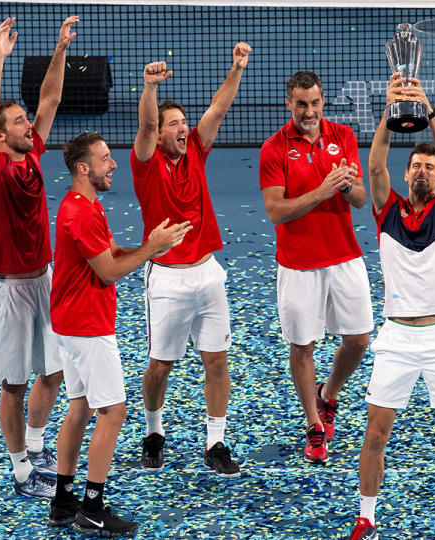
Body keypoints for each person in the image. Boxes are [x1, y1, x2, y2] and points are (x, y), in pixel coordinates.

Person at [346, 75, 435, 540]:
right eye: (417, 167)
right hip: (397, 339)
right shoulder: (386, 209)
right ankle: (365, 516)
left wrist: (428, 110)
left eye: (430, 166)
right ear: (407, 176)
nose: (424, 170)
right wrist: (390, 113)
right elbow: (375, 167)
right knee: (375, 435)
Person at [47, 132, 189, 535]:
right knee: (114, 411)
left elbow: (111, 254)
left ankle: (62, 501)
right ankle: (92, 507)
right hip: (87, 327)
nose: (113, 165)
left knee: (80, 409)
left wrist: (153, 246)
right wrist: (150, 249)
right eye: (106, 159)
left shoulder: (85, 206)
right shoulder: (82, 213)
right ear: (83, 168)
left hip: (71, 325)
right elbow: (108, 271)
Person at [130, 43, 251, 476]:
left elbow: (218, 108)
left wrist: (236, 68)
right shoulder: (145, 161)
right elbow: (145, 124)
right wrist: (149, 87)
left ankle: (215, 442)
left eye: (184, 122)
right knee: (160, 365)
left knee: (216, 360)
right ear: (160, 134)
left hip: (207, 273)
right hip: (166, 279)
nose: (184, 129)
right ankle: (153, 431)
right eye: (175, 124)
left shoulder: (196, 150)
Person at [0, 15, 79, 499]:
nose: (27, 124)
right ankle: (20, 470)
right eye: (16, 121)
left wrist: (59, 49)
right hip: (11, 288)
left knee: (53, 373)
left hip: (45, 280)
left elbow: (51, 100)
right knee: (13, 385)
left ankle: (36, 448)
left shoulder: (30, 151)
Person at [259, 71, 373, 464]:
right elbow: (276, 211)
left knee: (359, 339)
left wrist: (344, 186)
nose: (309, 111)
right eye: (301, 104)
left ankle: (327, 396)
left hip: (344, 256)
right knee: (303, 346)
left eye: (315, 103)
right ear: (289, 104)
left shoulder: (343, 136)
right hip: (299, 265)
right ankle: (314, 426)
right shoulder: (273, 149)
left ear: (323, 102)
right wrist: (323, 189)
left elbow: (360, 199)